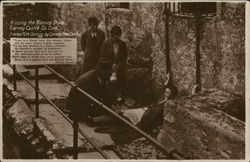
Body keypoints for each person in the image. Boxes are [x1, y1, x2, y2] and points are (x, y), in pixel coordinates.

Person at [67, 59, 116, 123]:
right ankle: (90, 119)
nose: (109, 75)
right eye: (107, 73)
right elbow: (96, 101)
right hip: (78, 108)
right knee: (111, 117)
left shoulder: (100, 76)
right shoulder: (89, 80)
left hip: (86, 102)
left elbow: (104, 92)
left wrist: (111, 104)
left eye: (110, 73)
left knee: (111, 113)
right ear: (100, 72)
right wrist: (110, 110)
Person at [100, 26, 128, 102]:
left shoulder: (122, 44)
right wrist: (111, 64)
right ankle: (109, 100)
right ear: (111, 35)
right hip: (108, 68)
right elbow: (102, 57)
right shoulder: (105, 43)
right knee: (109, 83)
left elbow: (124, 57)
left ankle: (120, 99)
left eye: (118, 37)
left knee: (121, 81)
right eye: (115, 37)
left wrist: (119, 65)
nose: (116, 39)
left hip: (119, 68)